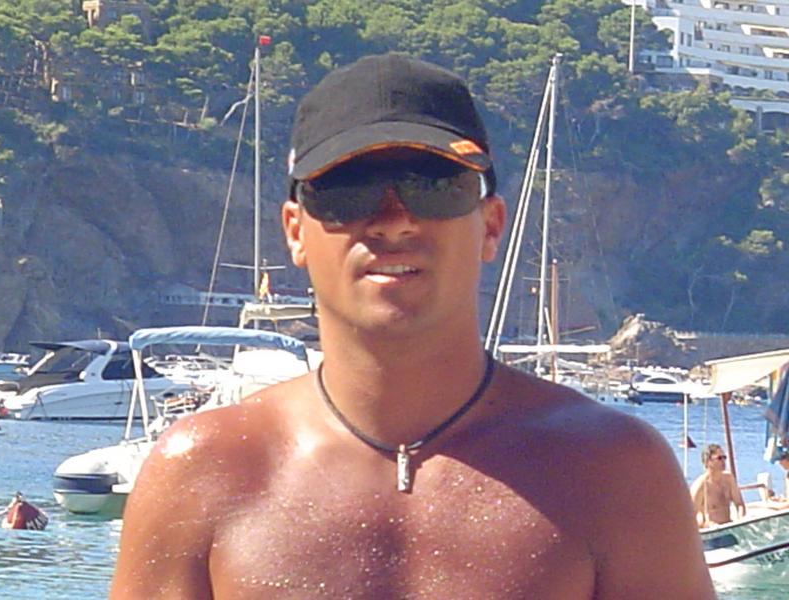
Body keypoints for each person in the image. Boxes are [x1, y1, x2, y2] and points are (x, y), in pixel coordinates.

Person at [110, 53, 716, 599]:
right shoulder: (203, 472)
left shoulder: (612, 472)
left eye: (434, 187)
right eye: (348, 190)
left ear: (490, 225)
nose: (393, 220)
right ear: (295, 230)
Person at [690, 443, 746, 527]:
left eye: (724, 457)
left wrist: (740, 520)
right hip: (711, 530)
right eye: (719, 458)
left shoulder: (729, 479)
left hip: (728, 526)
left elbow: (739, 503)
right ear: (708, 462)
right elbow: (690, 516)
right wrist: (707, 525)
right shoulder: (700, 486)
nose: (723, 461)